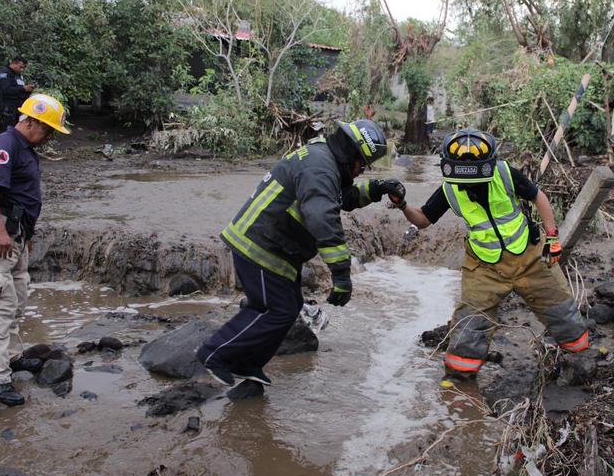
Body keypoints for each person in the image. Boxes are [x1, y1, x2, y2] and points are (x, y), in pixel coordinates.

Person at [197, 119, 406, 387]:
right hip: (261, 245)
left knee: (288, 307)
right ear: (350, 154)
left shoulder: (323, 159)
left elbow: (339, 197)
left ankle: (246, 363)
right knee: (277, 310)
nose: (360, 171)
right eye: (362, 164)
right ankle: (215, 353)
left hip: (276, 248)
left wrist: (377, 189)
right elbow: (322, 218)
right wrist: (341, 275)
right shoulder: (320, 167)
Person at [396, 129, 589, 381]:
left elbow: (537, 196)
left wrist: (552, 237)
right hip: (484, 269)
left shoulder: (505, 173)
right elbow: (422, 219)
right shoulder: (450, 190)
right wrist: (401, 204)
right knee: (469, 329)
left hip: (529, 257)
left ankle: (580, 359)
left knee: (562, 312)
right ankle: (458, 387)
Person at [0, 93, 70, 406]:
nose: (49, 136)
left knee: (15, 300)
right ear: (31, 121)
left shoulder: (25, 149)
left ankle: (11, 359)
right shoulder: (7, 144)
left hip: (15, 235)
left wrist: (24, 233)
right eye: (47, 130)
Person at [0, 57, 34, 130]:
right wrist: (23, 88)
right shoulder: (5, 73)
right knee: (7, 130)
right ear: (14, 64)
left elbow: (18, 90)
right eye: (21, 67)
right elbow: (6, 90)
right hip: (8, 108)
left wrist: (27, 90)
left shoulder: (18, 76)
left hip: (17, 108)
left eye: (23, 68)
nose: (22, 70)